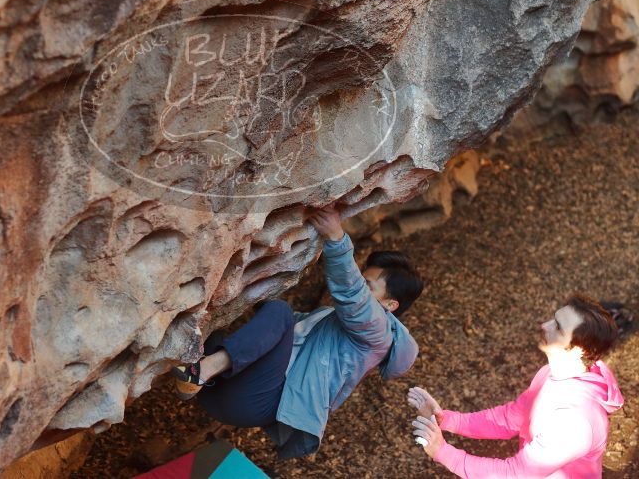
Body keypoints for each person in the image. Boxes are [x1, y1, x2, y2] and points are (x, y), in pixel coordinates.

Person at [171, 205, 424, 458]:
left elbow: (352, 294)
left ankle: (201, 371)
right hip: (221, 394)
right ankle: (198, 373)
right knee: (224, 325)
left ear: (389, 305)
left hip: (253, 401)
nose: (360, 284)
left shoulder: (379, 337)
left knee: (280, 312)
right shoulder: (328, 318)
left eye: (367, 285)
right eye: (361, 277)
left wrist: (336, 238)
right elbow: (271, 335)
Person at [408, 294, 624, 478]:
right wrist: (446, 419)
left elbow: (515, 474)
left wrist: (443, 452)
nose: (544, 325)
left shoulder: (574, 423)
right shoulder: (551, 374)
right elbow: (509, 418)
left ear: (579, 350)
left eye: (557, 326)